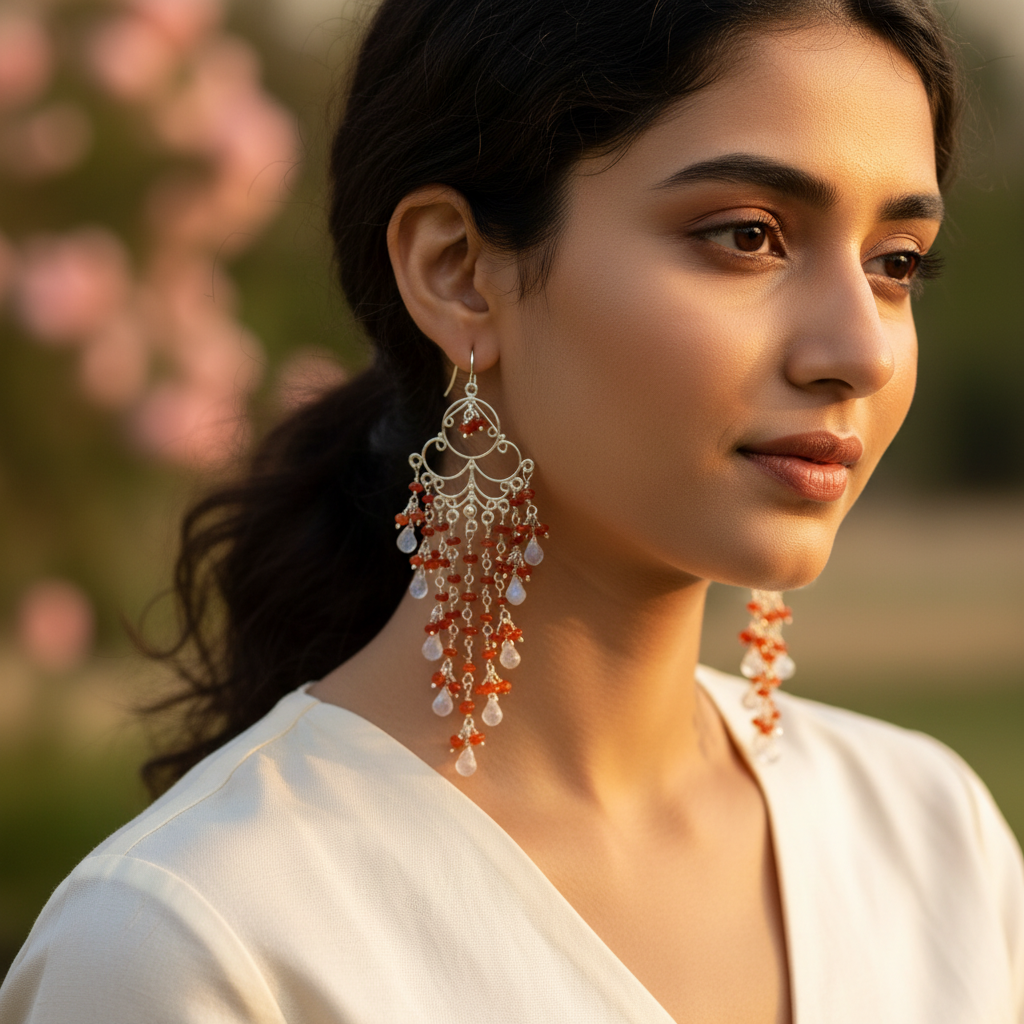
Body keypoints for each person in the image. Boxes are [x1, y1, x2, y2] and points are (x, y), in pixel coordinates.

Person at [2, 0, 1022, 1020]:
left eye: (893, 263)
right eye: (748, 236)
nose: (860, 350)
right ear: (457, 273)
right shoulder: (200, 942)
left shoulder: (933, 840)